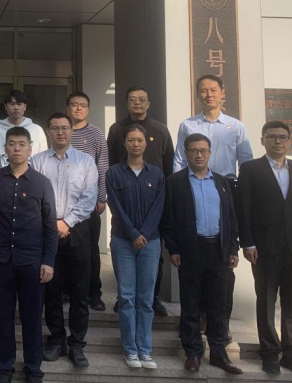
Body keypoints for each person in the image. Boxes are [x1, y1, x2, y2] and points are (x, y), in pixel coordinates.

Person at [239, 121, 292, 378]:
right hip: (264, 248)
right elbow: (244, 209)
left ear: (289, 141)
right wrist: (248, 243)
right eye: (272, 137)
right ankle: (269, 353)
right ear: (262, 140)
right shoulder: (251, 169)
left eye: (282, 137)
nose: (278, 141)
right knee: (265, 302)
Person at [173, 75, 254, 335]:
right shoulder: (187, 125)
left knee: (223, 266)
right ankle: (195, 322)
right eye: (203, 91)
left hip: (226, 189)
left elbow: (246, 163)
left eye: (213, 90)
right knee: (193, 265)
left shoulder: (236, 127)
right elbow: (179, 159)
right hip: (192, 188)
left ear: (222, 93)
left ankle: (220, 323)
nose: (209, 95)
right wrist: (177, 189)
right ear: (198, 94)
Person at [160, 134, 242, 375]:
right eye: (194, 150)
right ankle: (193, 352)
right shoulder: (175, 182)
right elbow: (168, 219)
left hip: (218, 250)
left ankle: (218, 353)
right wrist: (173, 248)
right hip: (190, 249)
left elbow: (231, 217)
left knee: (218, 304)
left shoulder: (222, 182)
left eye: (203, 150)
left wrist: (233, 248)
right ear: (186, 153)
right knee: (191, 303)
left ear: (210, 153)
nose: (199, 154)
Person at [0, 126, 57, 384]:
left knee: (32, 318)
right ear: (5, 148)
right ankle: (4, 367)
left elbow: (50, 224)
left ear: (30, 149)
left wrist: (48, 261)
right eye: (12, 144)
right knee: (3, 317)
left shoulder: (41, 182)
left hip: (32, 261)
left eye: (22, 144)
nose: (17, 148)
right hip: (1, 259)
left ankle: (33, 368)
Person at [31, 113, 98, 368]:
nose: (60, 132)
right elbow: (35, 197)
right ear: (49, 131)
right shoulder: (37, 161)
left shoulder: (85, 161)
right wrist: (53, 224)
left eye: (65, 128)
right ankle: (57, 340)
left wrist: (67, 222)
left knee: (80, 291)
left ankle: (77, 344)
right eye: (55, 128)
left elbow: (89, 197)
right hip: (46, 230)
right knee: (51, 290)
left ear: (72, 131)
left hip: (78, 230)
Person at [107, 86, 175, 317]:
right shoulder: (117, 130)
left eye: (141, 99)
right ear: (127, 103)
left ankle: (153, 298)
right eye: (132, 99)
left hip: (155, 197)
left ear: (149, 103)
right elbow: (111, 162)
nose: (137, 103)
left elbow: (169, 165)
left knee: (154, 251)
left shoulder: (160, 130)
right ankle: (123, 297)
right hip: (125, 194)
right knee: (123, 247)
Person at [106, 124, 165, 370]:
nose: (135, 144)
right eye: (131, 140)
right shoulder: (113, 173)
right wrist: (133, 234)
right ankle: (130, 350)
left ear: (146, 143)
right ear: (125, 143)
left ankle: (145, 350)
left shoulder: (157, 174)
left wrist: (145, 234)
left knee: (146, 298)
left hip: (150, 243)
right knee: (127, 297)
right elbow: (115, 206)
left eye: (139, 140)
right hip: (123, 241)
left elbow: (159, 207)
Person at [66, 92, 109, 312]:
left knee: (90, 250)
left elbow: (103, 167)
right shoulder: (61, 131)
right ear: (68, 108)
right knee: (65, 249)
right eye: (74, 105)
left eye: (83, 105)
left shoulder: (96, 134)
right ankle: (66, 290)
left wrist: (101, 198)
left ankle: (94, 293)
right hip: (64, 204)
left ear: (88, 109)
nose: (78, 108)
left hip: (89, 203)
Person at [0, 90, 48, 171]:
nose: (16, 108)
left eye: (19, 104)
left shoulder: (37, 130)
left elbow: (43, 159)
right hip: (3, 176)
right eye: (12, 104)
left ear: (25, 107)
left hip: (31, 176)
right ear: (5, 106)